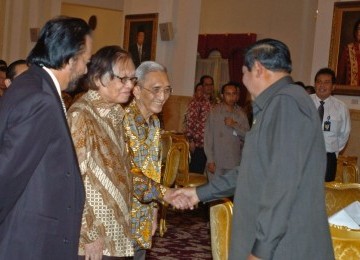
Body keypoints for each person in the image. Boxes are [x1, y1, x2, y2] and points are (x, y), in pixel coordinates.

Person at [175, 38, 334, 260]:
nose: (243, 81)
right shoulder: (277, 104)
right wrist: (199, 193)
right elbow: (252, 170)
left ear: (257, 68)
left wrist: (261, 250)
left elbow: (283, 183)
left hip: (284, 249)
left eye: (244, 72)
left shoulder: (286, 104)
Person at [68, 47, 187, 260]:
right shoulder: (82, 116)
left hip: (116, 233)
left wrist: (162, 195)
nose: (130, 85)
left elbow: (127, 172)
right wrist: (88, 234)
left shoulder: (115, 114)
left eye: (132, 79)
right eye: (123, 79)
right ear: (98, 78)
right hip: (94, 239)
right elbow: (71, 181)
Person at [0, 16, 92, 259]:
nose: (85, 70)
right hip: (31, 240)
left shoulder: (32, 84)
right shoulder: (40, 98)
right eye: (85, 61)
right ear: (70, 59)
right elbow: (7, 173)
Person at [123, 61, 172, 259]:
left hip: (143, 218)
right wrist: (167, 194)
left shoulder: (154, 121)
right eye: (156, 90)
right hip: (121, 219)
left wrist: (153, 214)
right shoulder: (122, 120)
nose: (162, 97)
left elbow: (154, 169)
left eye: (167, 90)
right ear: (136, 90)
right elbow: (128, 172)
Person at [311, 68, 351, 182]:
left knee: (325, 192)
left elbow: (344, 133)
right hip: (305, 155)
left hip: (328, 157)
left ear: (333, 86)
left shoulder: (341, 107)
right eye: (319, 81)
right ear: (315, 84)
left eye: (326, 82)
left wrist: (333, 150)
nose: (322, 85)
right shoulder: (304, 102)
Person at [204, 82, 249, 181]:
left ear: (237, 96)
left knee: (229, 195)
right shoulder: (214, 112)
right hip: (216, 162)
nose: (231, 97)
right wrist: (210, 160)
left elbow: (248, 136)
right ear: (222, 95)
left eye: (234, 94)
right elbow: (208, 138)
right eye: (228, 94)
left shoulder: (241, 114)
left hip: (234, 162)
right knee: (214, 194)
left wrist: (234, 125)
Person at [184, 81, 211, 173]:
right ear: (195, 92)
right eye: (199, 90)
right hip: (197, 144)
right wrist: (191, 141)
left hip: (205, 144)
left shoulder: (207, 103)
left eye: (202, 89)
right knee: (195, 172)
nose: (201, 92)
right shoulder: (195, 103)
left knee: (200, 171)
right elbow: (189, 122)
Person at [337, 18, 360, 86]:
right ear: (355, 32)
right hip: (350, 92)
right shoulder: (348, 49)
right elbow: (340, 75)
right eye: (359, 29)